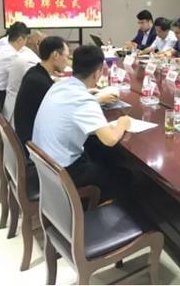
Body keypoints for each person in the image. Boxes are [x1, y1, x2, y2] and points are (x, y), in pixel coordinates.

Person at [32, 45, 131, 201]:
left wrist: (93, 96)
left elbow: (73, 107)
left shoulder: (59, 85)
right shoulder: (84, 101)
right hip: (63, 170)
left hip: (45, 162)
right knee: (123, 175)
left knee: (98, 150)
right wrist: (123, 123)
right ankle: (105, 206)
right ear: (97, 73)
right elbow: (110, 139)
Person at [14, 36, 70, 154]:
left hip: (31, 139)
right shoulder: (38, 82)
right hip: (37, 149)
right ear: (55, 55)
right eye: (66, 56)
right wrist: (97, 99)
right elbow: (66, 112)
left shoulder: (35, 72)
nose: (68, 61)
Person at [2, 30, 46, 125]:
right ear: (37, 44)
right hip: (20, 117)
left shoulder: (23, 53)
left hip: (14, 106)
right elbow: (41, 85)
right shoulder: (31, 62)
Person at [0, 22, 30, 106]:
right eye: (26, 39)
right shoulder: (13, 56)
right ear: (20, 39)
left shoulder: (2, 42)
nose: (26, 43)